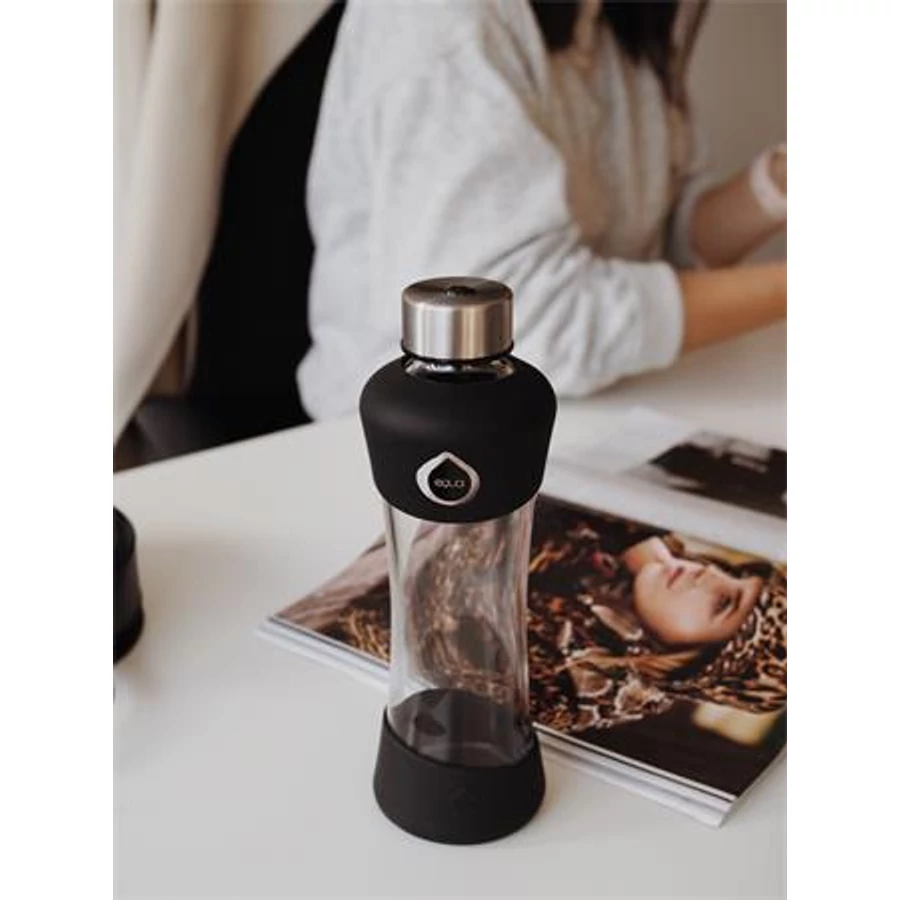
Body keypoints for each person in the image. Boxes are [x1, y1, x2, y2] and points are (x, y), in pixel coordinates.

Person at [299, 0, 787, 419]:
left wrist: (781, 184)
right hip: (407, 442)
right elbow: (522, 325)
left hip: (588, 411)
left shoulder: (620, 19)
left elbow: (654, 249)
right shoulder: (440, 16)